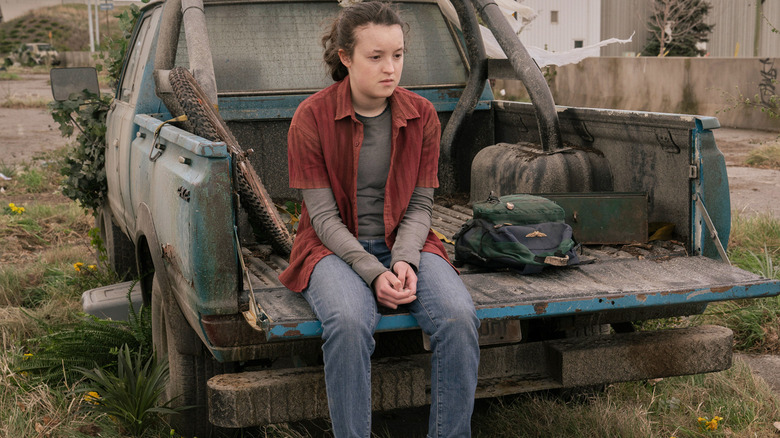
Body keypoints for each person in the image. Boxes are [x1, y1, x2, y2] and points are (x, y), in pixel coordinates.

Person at [278, 2, 480, 437]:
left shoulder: (422, 115)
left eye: (398, 55)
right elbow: (325, 219)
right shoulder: (310, 118)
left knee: (458, 317)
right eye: (376, 57)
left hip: (406, 241)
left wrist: (404, 261)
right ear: (346, 58)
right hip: (331, 248)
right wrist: (373, 273)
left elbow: (421, 206)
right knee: (349, 323)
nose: (390, 68)